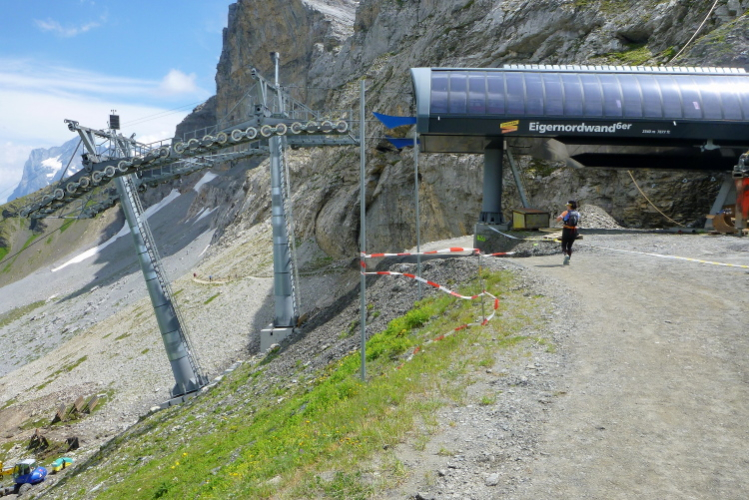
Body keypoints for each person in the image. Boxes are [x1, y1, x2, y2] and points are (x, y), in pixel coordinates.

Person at [556, 200, 580, 265]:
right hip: (574, 231)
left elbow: (558, 219)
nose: (567, 207)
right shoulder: (577, 213)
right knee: (569, 246)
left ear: (569, 206)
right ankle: (568, 259)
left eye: (567, 205)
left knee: (563, 245)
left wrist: (558, 218)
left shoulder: (565, 212)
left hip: (566, 230)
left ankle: (565, 255)